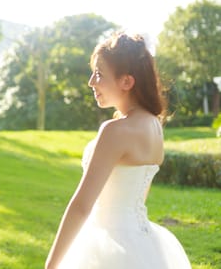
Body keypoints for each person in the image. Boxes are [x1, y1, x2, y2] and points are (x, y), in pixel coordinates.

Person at [44, 33, 191, 269]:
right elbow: (138, 195)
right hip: (143, 243)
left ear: (126, 81)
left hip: (109, 244)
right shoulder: (154, 125)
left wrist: (51, 265)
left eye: (99, 74)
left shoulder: (115, 130)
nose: (91, 81)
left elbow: (82, 206)